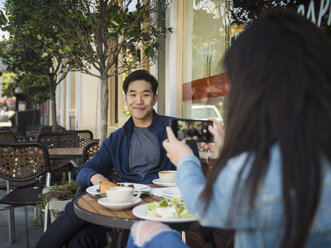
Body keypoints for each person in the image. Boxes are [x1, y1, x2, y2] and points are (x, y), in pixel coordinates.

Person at [127, 8, 331, 248]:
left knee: (143, 229)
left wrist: (185, 160)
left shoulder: (255, 171)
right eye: (133, 94)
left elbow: (204, 206)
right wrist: (229, 155)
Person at [36, 70, 199, 248]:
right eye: (133, 94)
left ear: (155, 98)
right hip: (123, 206)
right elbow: (84, 170)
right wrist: (100, 180)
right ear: (125, 99)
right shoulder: (117, 138)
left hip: (155, 210)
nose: (139, 101)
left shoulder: (174, 127)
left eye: (145, 94)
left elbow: (193, 163)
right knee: (80, 235)